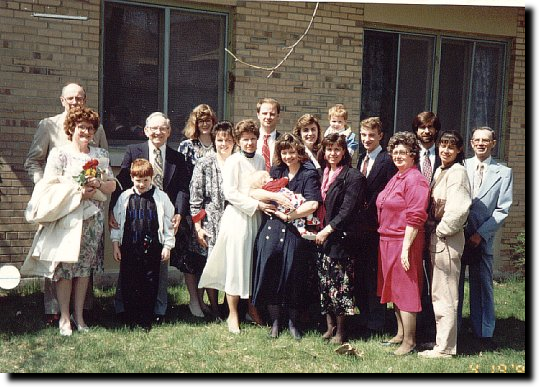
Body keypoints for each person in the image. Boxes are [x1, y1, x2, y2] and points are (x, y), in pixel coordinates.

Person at [23, 106, 116, 336]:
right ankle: (64, 317)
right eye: (81, 127)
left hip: (92, 220)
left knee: (83, 269)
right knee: (65, 268)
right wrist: (77, 191)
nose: (86, 132)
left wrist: (98, 185)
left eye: (90, 128)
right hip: (68, 217)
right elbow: (49, 185)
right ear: (72, 128)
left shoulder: (100, 155)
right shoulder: (60, 154)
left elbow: (111, 184)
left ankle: (80, 316)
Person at [110, 112, 190, 323]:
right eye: (154, 128)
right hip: (135, 217)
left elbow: (182, 189)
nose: (158, 132)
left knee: (160, 268)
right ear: (146, 130)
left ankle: (158, 309)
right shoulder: (132, 151)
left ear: (169, 131)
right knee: (129, 267)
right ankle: (124, 307)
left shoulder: (177, 158)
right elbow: (122, 184)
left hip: (161, 217)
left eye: (163, 128)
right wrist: (112, 210)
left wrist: (179, 212)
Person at [198, 119, 275, 334]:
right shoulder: (233, 161)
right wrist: (255, 204)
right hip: (239, 218)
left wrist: (262, 203)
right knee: (236, 266)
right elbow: (230, 193)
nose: (249, 143)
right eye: (245, 139)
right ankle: (233, 313)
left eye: (252, 139)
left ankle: (251, 307)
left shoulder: (260, 160)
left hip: (256, 218)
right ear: (239, 141)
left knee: (252, 265)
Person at [252, 134, 321, 340]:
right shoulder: (276, 171)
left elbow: (313, 204)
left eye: (292, 152)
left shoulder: (309, 174)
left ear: (299, 152)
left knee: (293, 275)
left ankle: (292, 323)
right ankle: (274, 323)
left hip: (294, 229)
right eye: (284, 152)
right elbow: (254, 193)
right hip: (273, 228)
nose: (288, 156)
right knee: (272, 272)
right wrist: (275, 197)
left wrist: (289, 215)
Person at [458, 127, 513, 350]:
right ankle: (455, 328)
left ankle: (484, 331)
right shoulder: (460, 166)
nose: (481, 144)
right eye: (477, 140)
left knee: (482, 283)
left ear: (493, 143)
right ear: (471, 143)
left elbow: (503, 209)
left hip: (483, 236)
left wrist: (481, 234)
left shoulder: (504, 172)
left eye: (486, 140)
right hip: (459, 234)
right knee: (455, 284)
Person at [419, 131, 471, 359]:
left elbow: (459, 209)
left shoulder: (458, 172)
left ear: (459, 150)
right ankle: (442, 341)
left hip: (446, 239)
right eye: (443, 145)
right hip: (437, 238)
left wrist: (441, 231)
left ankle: (446, 349)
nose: (446, 150)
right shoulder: (442, 171)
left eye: (451, 147)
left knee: (446, 294)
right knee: (438, 292)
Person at [376, 131, 429, 356]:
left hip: (404, 241)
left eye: (403, 152)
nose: (397, 156)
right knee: (394, 290)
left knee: (406, 290)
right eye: (395, 152)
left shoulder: (415, 180)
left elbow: (416, 216)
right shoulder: (397, 176)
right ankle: (400, 334)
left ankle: (410, 341)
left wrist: (406, 248)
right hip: (387, 239)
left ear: (413, 155)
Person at [111, 159, 175, 330]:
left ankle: (146, 317)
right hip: (130, 246)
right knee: (130, 281)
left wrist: (167, 246)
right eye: (138, 180)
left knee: (150, 282)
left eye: (146, 180)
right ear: (132, 177)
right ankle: (130, 316)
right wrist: (116, 244)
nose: (141, 184)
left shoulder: (161, 198)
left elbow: (169, 224)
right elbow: (117, 223)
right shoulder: (125, 197)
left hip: (152, 248)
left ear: (151, 178)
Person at [316, 134, 366, 345]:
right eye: (329, 149)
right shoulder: (323, 174)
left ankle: (341, 332)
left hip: (341, 239)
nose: (333, 153)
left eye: (337, 149)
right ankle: (329, 327)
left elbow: (348, 209)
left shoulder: (353, 176)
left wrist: (328, 229)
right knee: (326, 285)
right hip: (322, 239)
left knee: (341, 286)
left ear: (344, 151)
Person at [188, 121, 236, 319]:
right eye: (220, 140)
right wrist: (198, 227)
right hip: (211, 221)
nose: (223, 144)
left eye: (228, 140)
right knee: (212, 264)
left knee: (232, 264)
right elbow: (195, 199)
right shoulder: (204, 162)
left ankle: (229, 306)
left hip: (234, 219)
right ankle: (214, 308)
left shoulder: (238, 161)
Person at [355, 117, 397, 335]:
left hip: (377, 227)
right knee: (362, 274)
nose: (366, 139)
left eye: (371, 135)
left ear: (381, 136)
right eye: (363, 135)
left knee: (375, 277)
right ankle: (363, 318)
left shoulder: (386, 160)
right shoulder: (362, 158)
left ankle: (376, 322)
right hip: (360, 229)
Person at [177, 104, 218, 317]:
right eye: (201, 120)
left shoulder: (219, 144)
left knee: (207, 255)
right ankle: (194, 299)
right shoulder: (187, 146)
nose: (205, 124)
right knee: (191, 255)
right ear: (195, 123)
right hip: (194, 207)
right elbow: (183, 181)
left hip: (215, 208)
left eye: (208, 120)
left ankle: (204, 300)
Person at [412, 111, 442, 343]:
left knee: (436, 282)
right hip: (414, 227)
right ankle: (417, 327)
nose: (426, 131)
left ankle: (435, 332)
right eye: (422, 127)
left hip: (438, 229)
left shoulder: (445, 157)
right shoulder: (409, 157)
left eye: (431, 127)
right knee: (416, 280)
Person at [256, 98, 281, 172]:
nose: (268, 117)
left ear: (278, 116)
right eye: (264, 113)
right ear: (258, 115)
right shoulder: (250, 140)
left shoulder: (283, 141)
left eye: (272, 114)